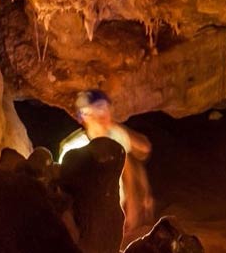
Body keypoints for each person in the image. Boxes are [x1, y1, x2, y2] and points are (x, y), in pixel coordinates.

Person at [58, 89, 154, 238]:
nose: (101, 114)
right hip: (87, 219)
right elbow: (64, 191)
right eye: (94, 110)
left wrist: (133, 207)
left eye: (103, 108)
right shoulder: (74, 146)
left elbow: (140, 153)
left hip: (114, 212)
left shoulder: (115, 135)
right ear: (83, 116)